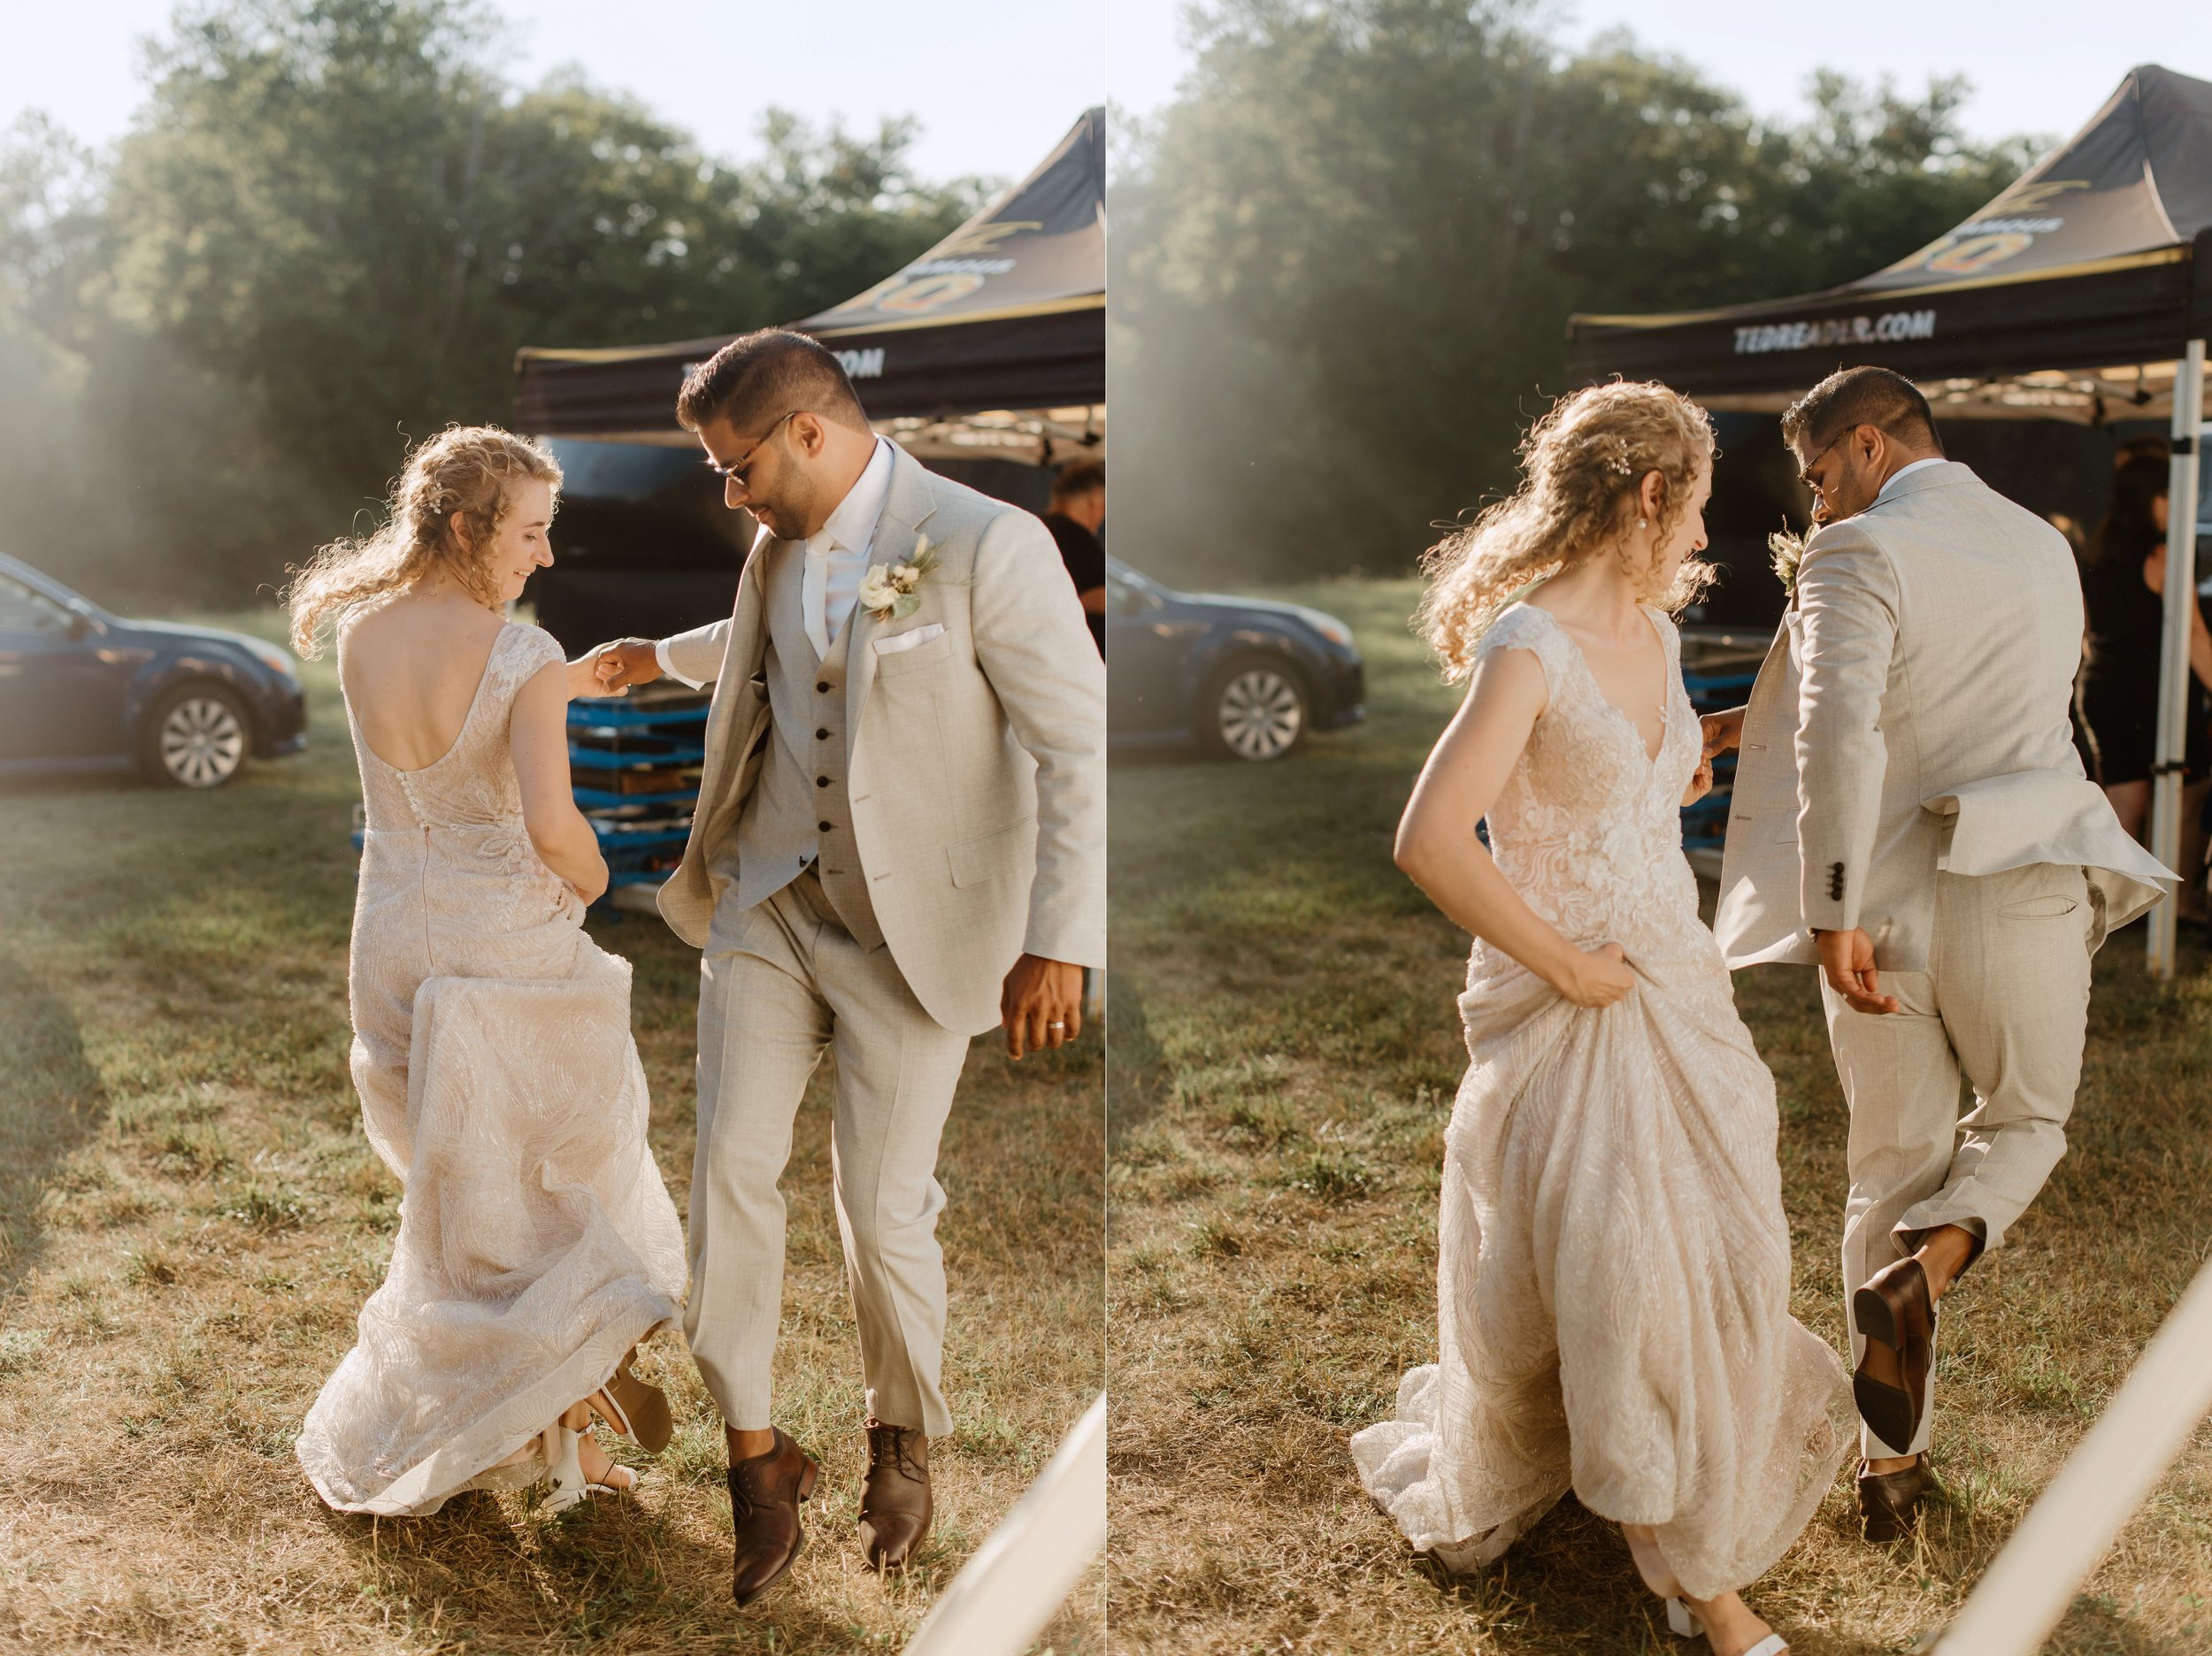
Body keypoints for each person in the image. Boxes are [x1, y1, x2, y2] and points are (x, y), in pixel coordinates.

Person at [588, 330, 1105, 1606]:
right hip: (769, 902)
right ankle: (757, 1466)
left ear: (808, 433)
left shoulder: (989, 544)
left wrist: (1061, 939)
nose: (730, 494)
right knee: (728, 1179)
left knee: (883, 1211)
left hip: (918, 936)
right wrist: (661, 656)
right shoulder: (777, 541)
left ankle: (902, 1438)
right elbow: (772, 633)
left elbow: (1078, 748)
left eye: (735, 466)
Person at [1350, 381, 1852, 1656]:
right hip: (1573, 1001)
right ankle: (1692, 1578)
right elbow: (1430, 838)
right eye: (1692, 507)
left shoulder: (1653, 631)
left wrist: (1736, 733)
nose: (1700, 536)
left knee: (1731, 1244)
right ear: (1645, 496)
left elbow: (1644, 782)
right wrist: (1565, 964)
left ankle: (1669, 1484)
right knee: (1630, 1271)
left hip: (1679, 980)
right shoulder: (1531, 645)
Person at [1704, 366, 2170, 1546]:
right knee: (2025, 1124)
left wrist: (1835, 908)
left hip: (1887, 913)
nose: (1819, 507)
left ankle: (1888, 1474)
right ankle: (1938, 1263)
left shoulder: (1859, 554)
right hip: (2020, 886)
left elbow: (1845, 733)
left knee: (1890, 1164)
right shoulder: (2039, 546)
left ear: (1868, 445)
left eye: (1820, 478)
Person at [286, 426, 686, 1517]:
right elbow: (553, 830)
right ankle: (557, 1410)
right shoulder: (520, 656)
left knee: (460, 1201)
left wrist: (562, 694)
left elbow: (442, 755)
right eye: (530, 532)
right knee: (544, 1192)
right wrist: (599, 878)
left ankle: (544, 1432)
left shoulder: (361, 629)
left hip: (394, 941)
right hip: (504, 939)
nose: (544, 557)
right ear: (466, 528)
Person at [2075, 451, 2212, 923]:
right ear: (2157, 499)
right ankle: (2179, 908)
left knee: (2123, 803)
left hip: (2102, 685)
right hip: (2156, 689)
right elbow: (2194, 635)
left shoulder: (2096, 553)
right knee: (2186, 795)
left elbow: (2087, 633)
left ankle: (2106, 912)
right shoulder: (2164, 554)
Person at [1042, 459, 1107, 656]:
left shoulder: (1035, 527)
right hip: (1076, 653)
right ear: (1095, 498)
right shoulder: (1079, 539)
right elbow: (1100, 598)